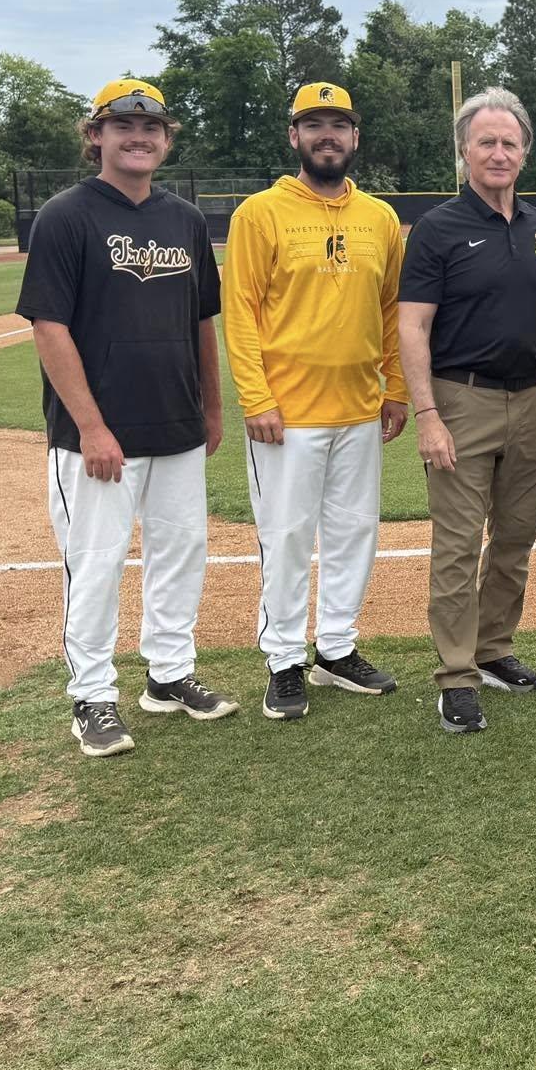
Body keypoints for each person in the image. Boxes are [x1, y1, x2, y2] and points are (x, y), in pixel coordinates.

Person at [15, 78, 236, 758]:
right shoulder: (66, 216)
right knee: (97, 562)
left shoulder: (184, 219)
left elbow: (203, 320)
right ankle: (93, 696)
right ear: (96, 137)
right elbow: (49, 327)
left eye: (152, 128)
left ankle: (168, 676)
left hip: (174, 422)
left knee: (181, 552)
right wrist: (92, 427)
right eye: (123, 126)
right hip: (98, 435)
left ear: (166, 141)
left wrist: (212, 403)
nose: (139, 137)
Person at [397, 88, 536, 735]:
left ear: (525, 152)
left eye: (509, 142)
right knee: (455, 547)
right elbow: (413, 326)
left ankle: (494, 648)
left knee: (514, 539)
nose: (498, 153)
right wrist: (427, 414)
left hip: (533, 400)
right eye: (486, 142)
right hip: (462, 399)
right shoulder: (438, 229)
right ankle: (455, 676)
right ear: (464, 153)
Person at [223, 82, 410, 723]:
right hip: (287, 414)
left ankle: (335, 647)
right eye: (314, 125)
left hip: (359, 408)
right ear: (294, 136)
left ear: (355, 137)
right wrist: (256, 396)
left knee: (354, 532)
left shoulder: (379, 218)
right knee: (286, 536)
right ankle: (282, 660)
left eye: (338, 124)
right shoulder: (260, 213)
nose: (326, 135)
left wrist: (399, 388)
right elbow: (240, 312)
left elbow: (391, 311)